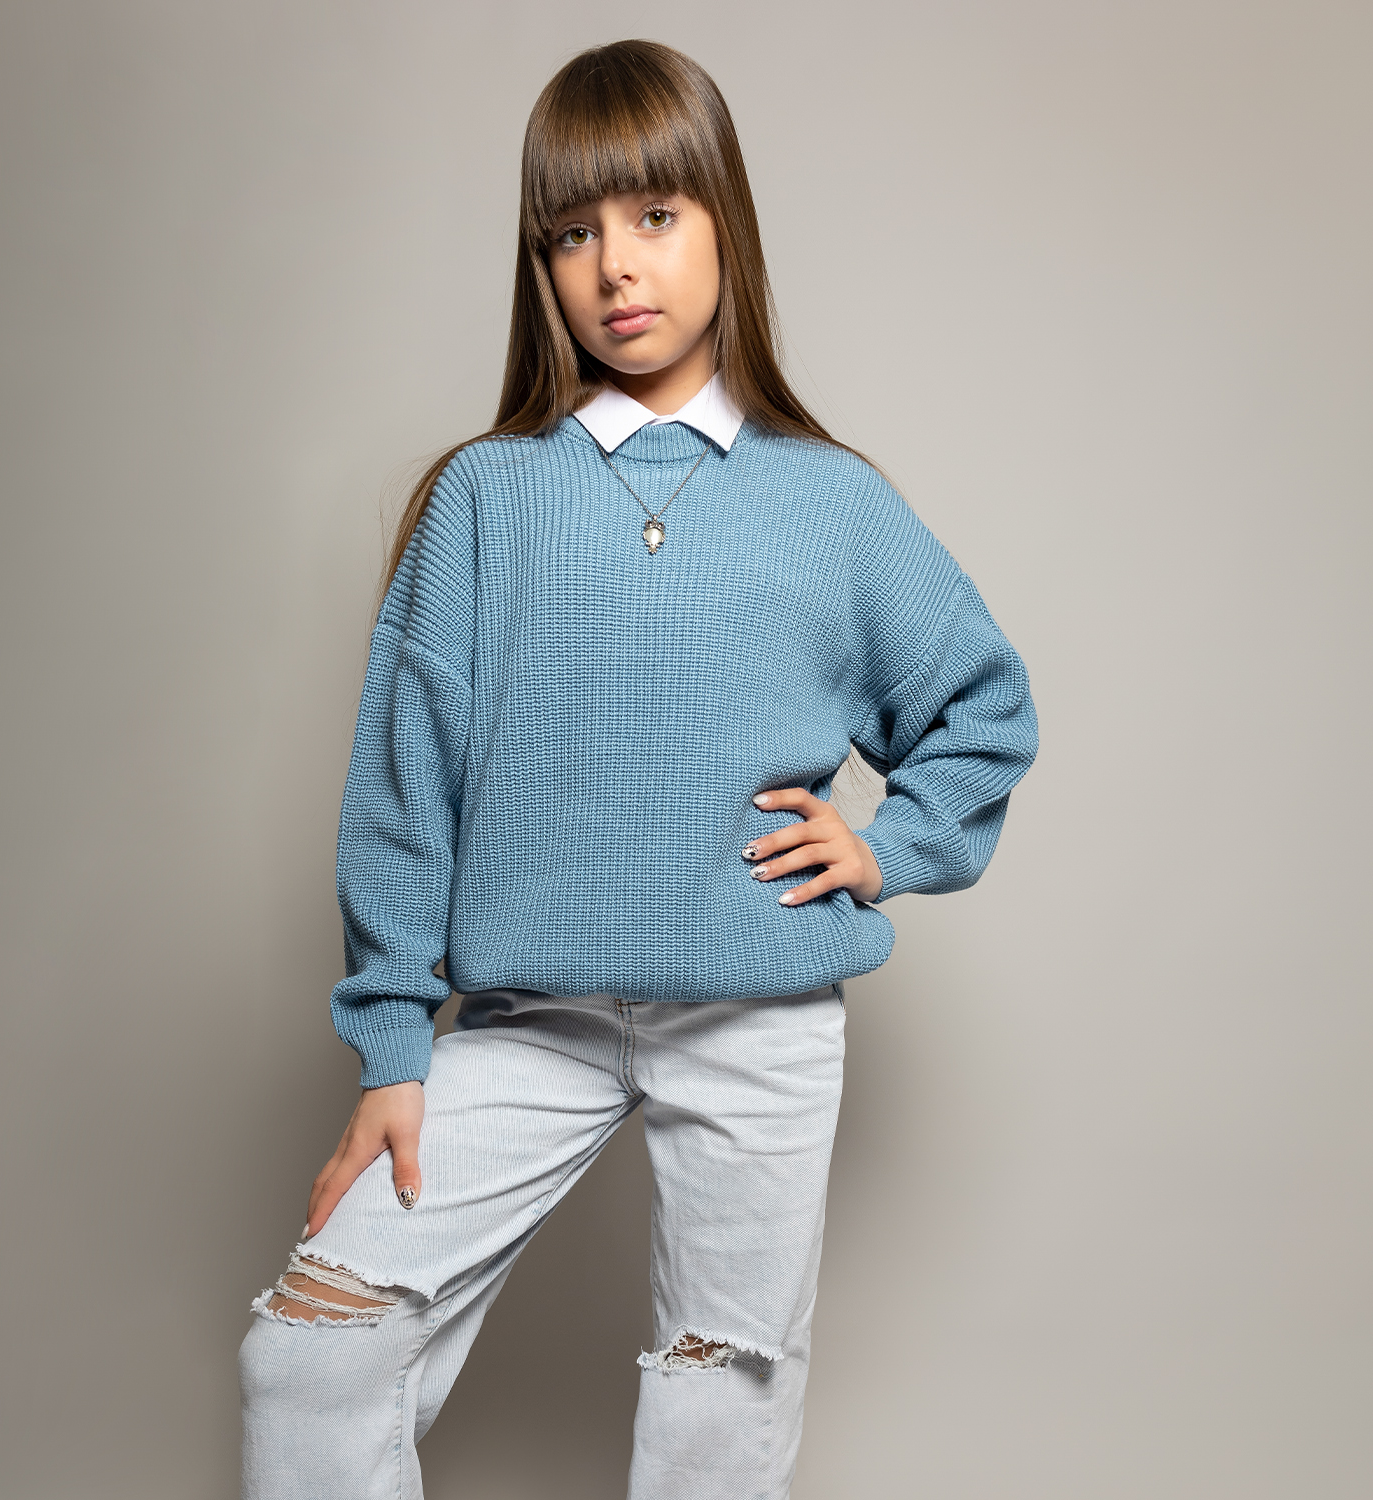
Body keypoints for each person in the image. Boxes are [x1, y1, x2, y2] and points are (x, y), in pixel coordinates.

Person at [238, 37, 1038, 1500]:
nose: (616, 265)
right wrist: (395, 1045)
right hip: (527, 1019)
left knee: (716, 1420)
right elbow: (403, 781)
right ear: (540, 264)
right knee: (312, 1353)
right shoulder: (486, 498)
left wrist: (888, 846)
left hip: (759, 1020)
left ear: (727, 223)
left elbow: (980, 706)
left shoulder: (830, 502)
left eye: (656, 215)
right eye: (572, 232)